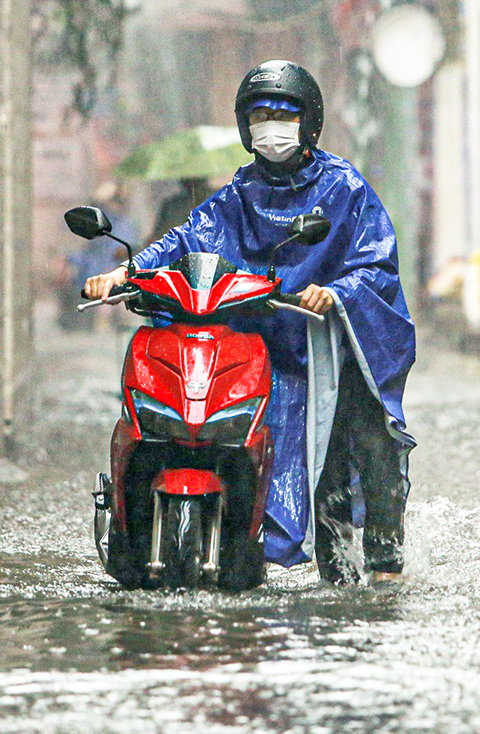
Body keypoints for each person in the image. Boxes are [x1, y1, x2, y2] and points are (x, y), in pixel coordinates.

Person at [85, 60, 416, 585]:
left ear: (309, 123)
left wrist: (335, 292)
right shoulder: (237, 197)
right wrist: (125, 271)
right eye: (261, 114)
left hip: (326, 350)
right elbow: (184, 241)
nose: (272, 125)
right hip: (256, 349)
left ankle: (383, 563)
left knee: (363, 437)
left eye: (285, 114)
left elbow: (376, 264)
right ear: (245, 126)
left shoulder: (344, 188)